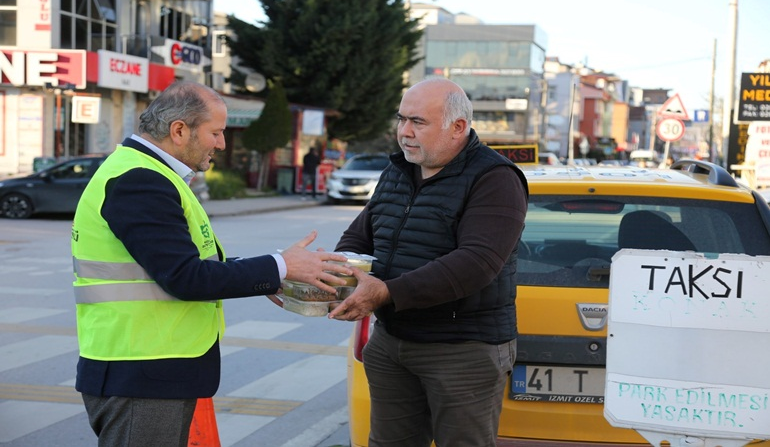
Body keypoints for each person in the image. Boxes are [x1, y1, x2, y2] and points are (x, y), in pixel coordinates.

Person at [71, 81, 350, 447]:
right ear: (179, 130)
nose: (221, 143)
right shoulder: (139, 180)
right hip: (142, 372)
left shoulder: (150, 173)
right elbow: (186, 277)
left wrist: (277, 273)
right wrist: (278, 266)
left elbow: (185, 265)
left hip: (151, 368)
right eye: (216, 132)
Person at [328, 77, 529, 447]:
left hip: (462, 349)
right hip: (392, 342)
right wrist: (332, 277)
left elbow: (477, 263)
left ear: (458, 127)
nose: (404, 132)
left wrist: (386, 292)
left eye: (418, 122)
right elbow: (360, 236)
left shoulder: (495, 178)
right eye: (401, 119)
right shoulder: (398, 171)